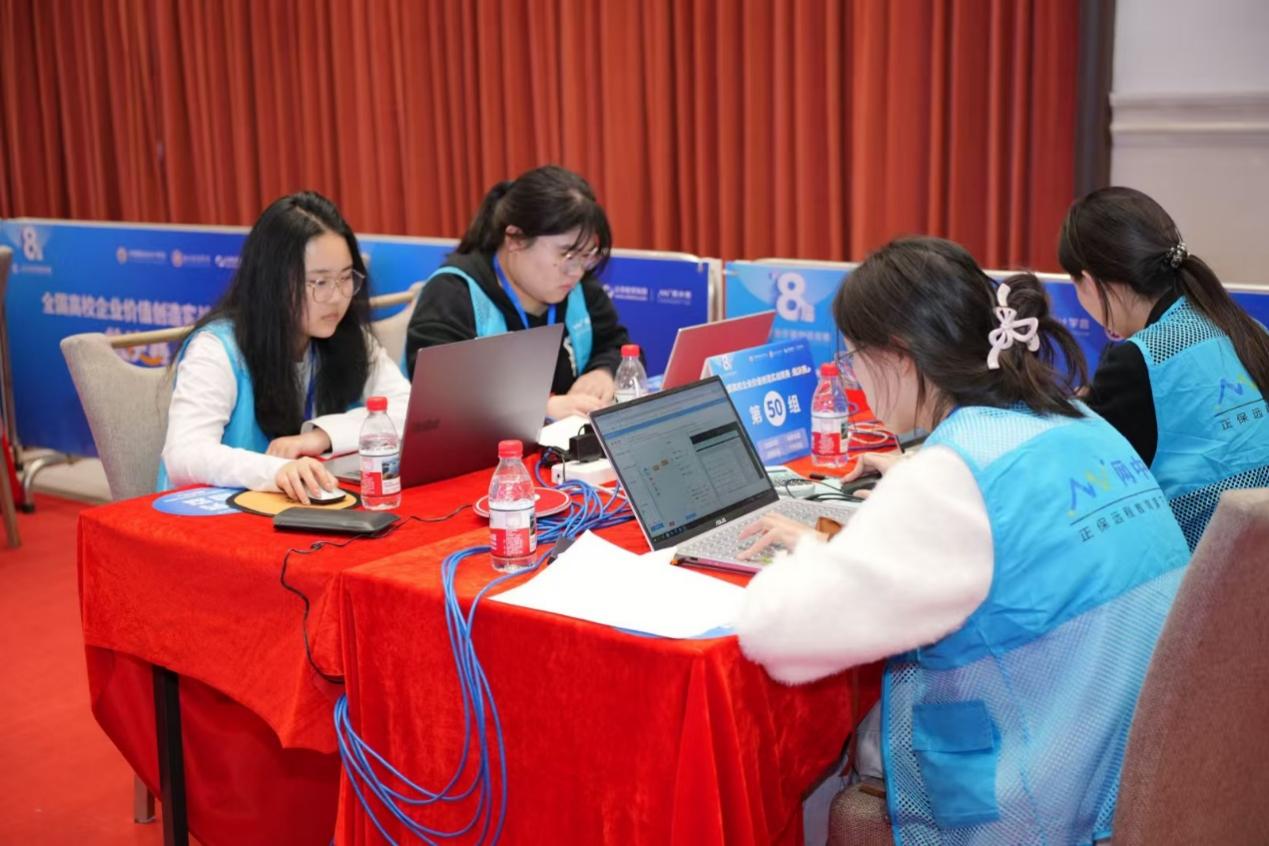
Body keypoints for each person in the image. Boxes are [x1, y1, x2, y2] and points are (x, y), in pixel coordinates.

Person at [734, 237, 1189, 845]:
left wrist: (811, 558)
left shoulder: (951, 477)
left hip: (1036, 800)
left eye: (852, 359)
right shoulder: (1078, 421)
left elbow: (783, 638)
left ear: (898, 355)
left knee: (840, 754)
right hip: (1133, 772)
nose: (853, 379)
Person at [158, 191, 411, 503]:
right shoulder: (217, 349)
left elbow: (408, 409)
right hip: (213, 517)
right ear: (273, 283)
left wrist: (322, 436)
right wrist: (275, 471)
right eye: (320, 282)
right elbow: (185, 454)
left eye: (346, 278)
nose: (337, 297)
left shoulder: (345, 337)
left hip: (300, 512)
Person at [1059, 186, 1269, 549]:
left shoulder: (1137, 362)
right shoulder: (1248, 329)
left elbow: (1089, 487)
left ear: (1089, 282)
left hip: (1194, 568)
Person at [405, 165, 638, 420]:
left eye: (587, 256)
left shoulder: (580, 288)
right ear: (515, 239)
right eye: (567, 255)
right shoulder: (454, 293)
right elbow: (441, 394)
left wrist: (603, 372)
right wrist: (541, 409)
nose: (577, 271)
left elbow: (616, 344)